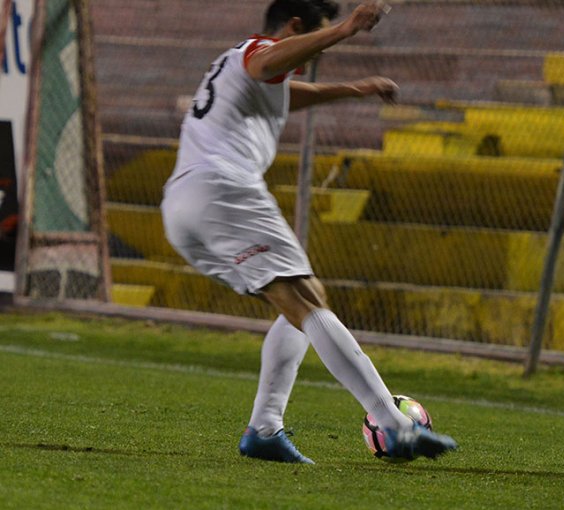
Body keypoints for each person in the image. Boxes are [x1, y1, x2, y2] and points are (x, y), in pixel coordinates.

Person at [160, 0, 457, 464]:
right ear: (295, 26)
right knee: (307, 302)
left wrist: (355, 89)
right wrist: (345, 29)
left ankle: (264, 430)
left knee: (300, 300)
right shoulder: (258, 51)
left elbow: (283, 91)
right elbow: (268, 62)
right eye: (311, 40)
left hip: (184, 206)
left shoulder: (236, 67)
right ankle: (395, 425)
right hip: (223, 190)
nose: (309, 59)